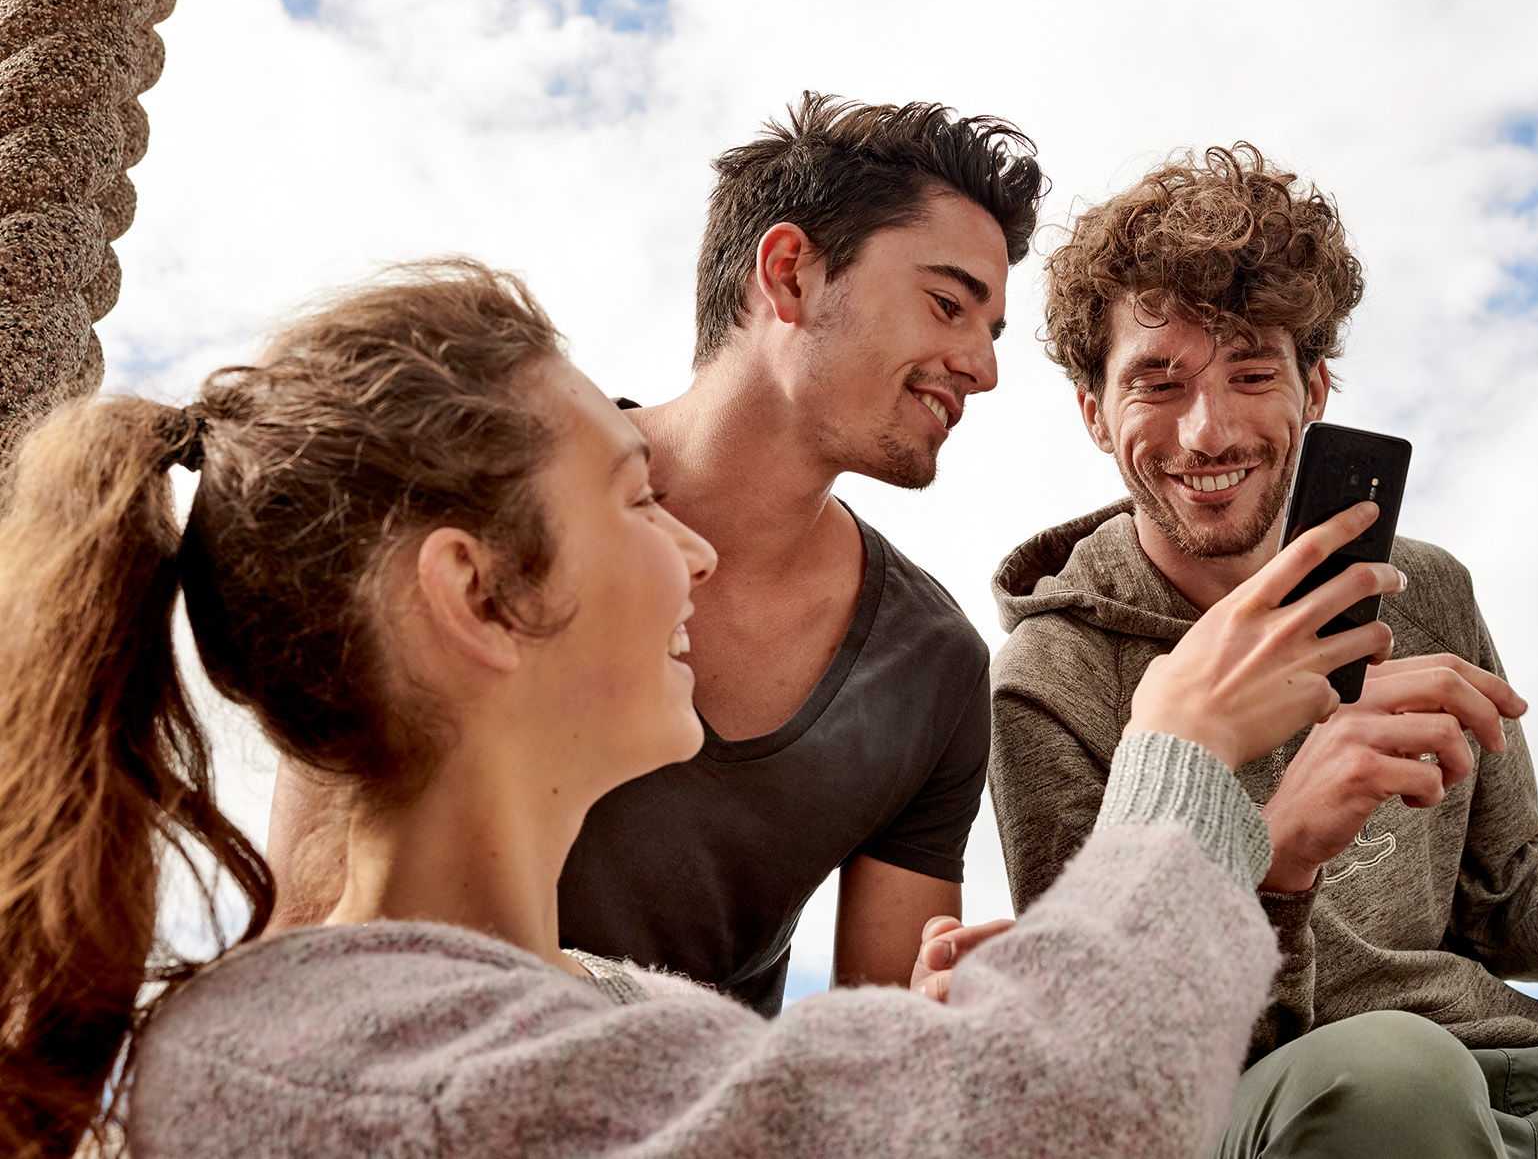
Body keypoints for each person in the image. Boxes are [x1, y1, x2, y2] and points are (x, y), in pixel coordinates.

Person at [0, 259, 1405, 1157]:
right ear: (476, 595)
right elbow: (1053, 1119)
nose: (691, 548)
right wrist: (1182, 764)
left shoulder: (518, 1018)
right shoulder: (354, 1069)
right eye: (629, 495)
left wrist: (916, 1046)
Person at [988, 143, 1538, 1157]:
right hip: (1286, 1099)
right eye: (1155, 380)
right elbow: (1112, 1043)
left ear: (1314, 389)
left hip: (1532, 1088)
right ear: (1094, 412)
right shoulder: (1049, 678)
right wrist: (1279, 852)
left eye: (1250, 371)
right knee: (1395, 1070)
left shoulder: (1425, 587)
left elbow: (1507, 897)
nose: (1205, 428)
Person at [265, 94, 1044, 1014]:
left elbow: (880, 1039)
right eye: (948, 304)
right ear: (789, 274)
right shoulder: (482, 495)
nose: (982, 367)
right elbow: (313, 927)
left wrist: (940, 1016)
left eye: (989, 332)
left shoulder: (935, 668)